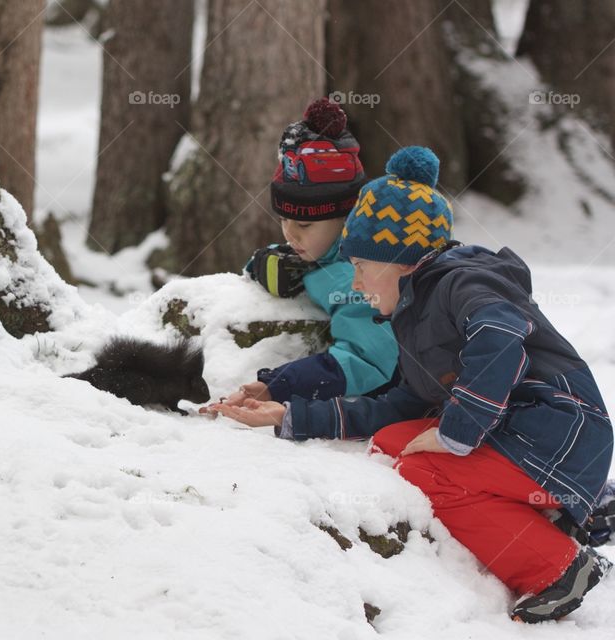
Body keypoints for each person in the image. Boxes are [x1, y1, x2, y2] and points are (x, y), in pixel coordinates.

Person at [207, 146, 614, 623]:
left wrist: (455, 431)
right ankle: (551, 514)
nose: (356, 285)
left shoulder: (464, 284)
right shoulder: (414, 311)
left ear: (400, 260)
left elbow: (501, 334)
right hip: (521, 437)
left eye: (360, 266)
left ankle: (557, 569)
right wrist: (291, 414)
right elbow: (401, 403)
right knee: (394, 440)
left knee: (427, 469)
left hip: (557, 434)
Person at [213, 97, 399, 412]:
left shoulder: (361, 278)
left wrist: (277, 385)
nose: (290, 234)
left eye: (303, 223)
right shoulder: (327, 252)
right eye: (282, 220)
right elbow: (300, 251)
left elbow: (367, 359)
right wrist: (271, 263)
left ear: (348, 217)